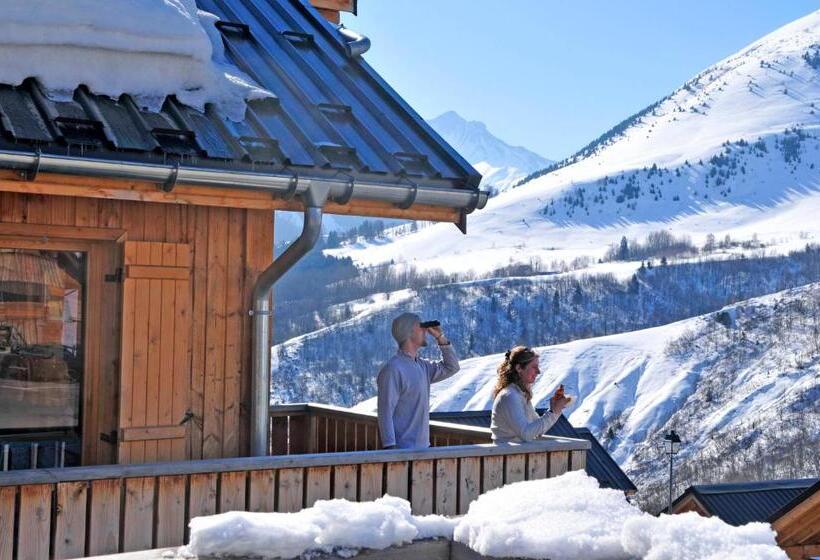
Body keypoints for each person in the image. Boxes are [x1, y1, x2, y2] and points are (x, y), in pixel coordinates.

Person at [377, 312, 460, 449]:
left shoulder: (422, 366)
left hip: (423, 449)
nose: (425, 330)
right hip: (402, 452)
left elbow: (452, 367)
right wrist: (390, 448)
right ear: (409, 332)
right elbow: (385, 411)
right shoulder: (393, 369)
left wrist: (440, 337)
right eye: (420, 326)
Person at [490, 346, 571, 443]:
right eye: (534, 367)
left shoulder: (519, 394)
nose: (538, 371)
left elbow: (536, 431)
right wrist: (553, 412)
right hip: (508, 456)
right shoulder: (510, 396)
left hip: (514, 455)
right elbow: (526, 434)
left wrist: (554, 409)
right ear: (519, 368)